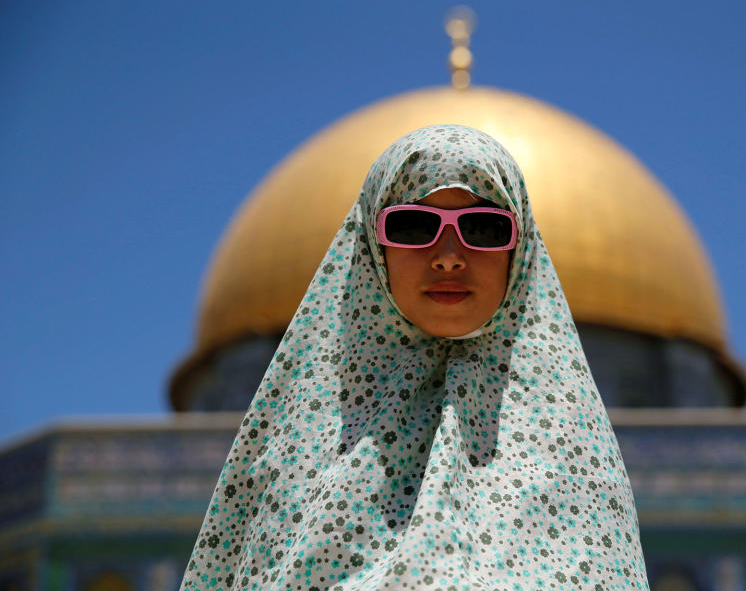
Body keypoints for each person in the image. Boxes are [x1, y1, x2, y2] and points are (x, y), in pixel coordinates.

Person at [180, 125, 649, 590]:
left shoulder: (579, 469)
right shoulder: (291, 462)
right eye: (412, 226)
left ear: (520, 250)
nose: (448, 256)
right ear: (371, 246)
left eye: (484, 228)